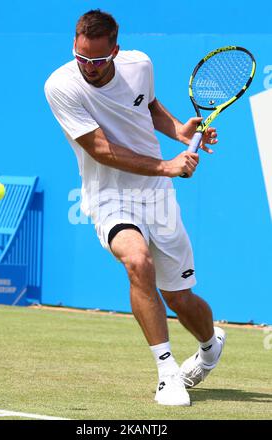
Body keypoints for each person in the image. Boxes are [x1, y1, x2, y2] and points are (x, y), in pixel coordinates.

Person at [45, 9, 226, 407]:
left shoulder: (139, 64)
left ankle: (211, 346)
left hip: (157, 197)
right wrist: (167, 165)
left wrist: (179, 130)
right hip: (109, 195)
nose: (88, 67)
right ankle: (166, 374)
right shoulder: (61, 86)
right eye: (81, 58)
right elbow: (101, 149)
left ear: (115, 51)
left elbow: (148, 105)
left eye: (97, 60)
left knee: (180, 297)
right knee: (137, 262)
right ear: (74, 46)